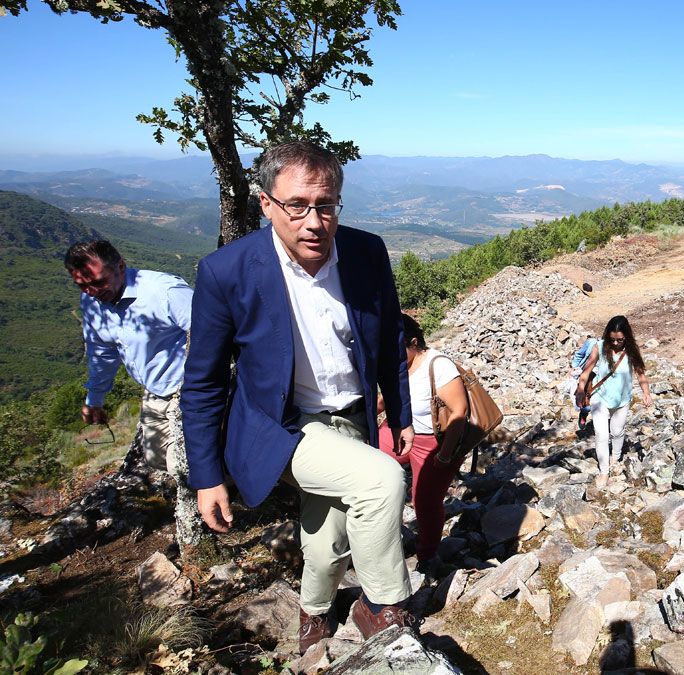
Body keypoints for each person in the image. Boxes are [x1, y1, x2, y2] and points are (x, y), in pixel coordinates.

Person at [181, 141, 416, 655]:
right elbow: (203, 382)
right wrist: (207, 477)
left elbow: (389, 342)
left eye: (326, 204)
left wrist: (402, 412)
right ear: (266, 204)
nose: (314, 222)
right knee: (380, 481)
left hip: (352, 415)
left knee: (327, 537)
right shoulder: (227, 272)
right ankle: (386, 608)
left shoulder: (365, 252)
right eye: (297, 205)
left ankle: (312, 612)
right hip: (283, 427)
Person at [64, 240, 202, 545]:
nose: (92, 291)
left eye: (98, 282)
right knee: (157, 456)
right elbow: (102, 354)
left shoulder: (164, 292)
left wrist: (206, 387)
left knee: (187, 461)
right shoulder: (92, 303)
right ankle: (220, 484)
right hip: (156, 389)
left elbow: (213, 333)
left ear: (121, 267)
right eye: (82, 285)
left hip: (194, 388)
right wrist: (94, 399)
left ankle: (215, 505)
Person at [377, 314, 468, 577]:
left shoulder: (438, 365)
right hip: (398, 429)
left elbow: (458, 412)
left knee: (424, 502)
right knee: (370, 470)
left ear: (414, 342)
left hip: (434, 441)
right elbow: (386, 399)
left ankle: (427, 555)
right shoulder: (400, 365)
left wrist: (445, 455)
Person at [574, 315, 653, 487]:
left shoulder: (632, 351)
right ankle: (604, 471)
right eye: (613, 340)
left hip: (622, 400)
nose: (616, 343)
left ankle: (615, 458)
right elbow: (586, 372)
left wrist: (646, 393)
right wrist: (580, 390)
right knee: (602, 435)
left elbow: (641, 374)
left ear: (627, 337)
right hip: (600, 399)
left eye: (620, 340)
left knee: (617, 432)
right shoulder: (600, 347)